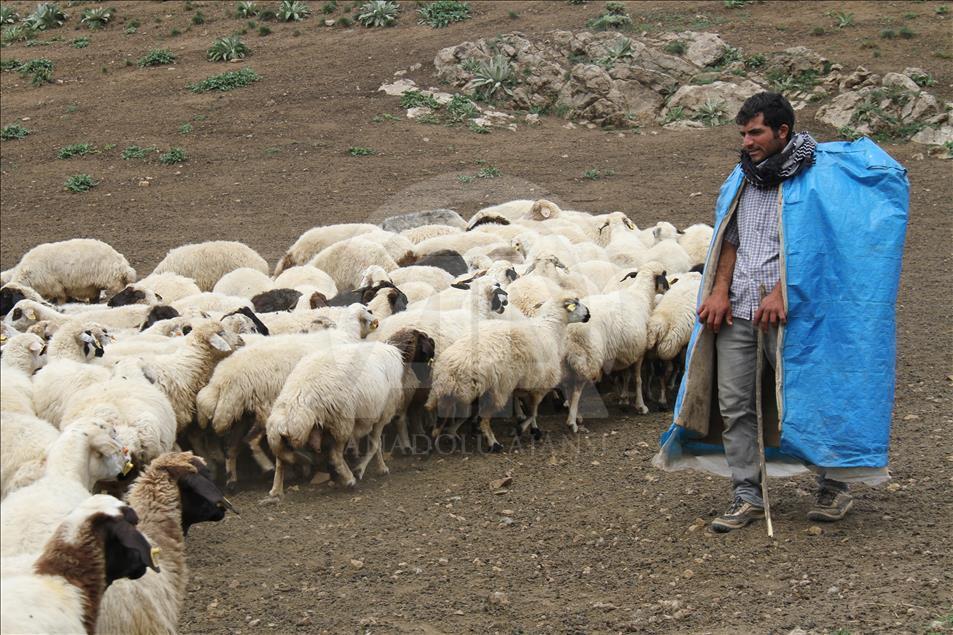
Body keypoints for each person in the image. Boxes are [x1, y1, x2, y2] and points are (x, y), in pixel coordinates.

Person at [696, 92, 852, 533]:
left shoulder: (814, 177)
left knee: (807, 397)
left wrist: (785, 291)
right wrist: (719, 290)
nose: (747, 142)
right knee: (734, 403)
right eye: (744, 134)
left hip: (794, 312)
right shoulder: (743, 176)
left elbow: (824, 243)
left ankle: (833, 485)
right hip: (740, 306)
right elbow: (731, 236)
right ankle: (746, 493)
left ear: (782, 131)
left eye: (756, 133)